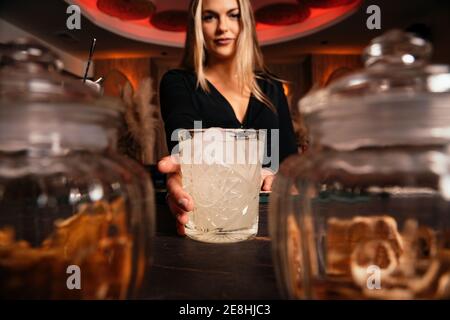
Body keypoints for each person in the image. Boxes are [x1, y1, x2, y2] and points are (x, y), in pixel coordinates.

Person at [157, 0, 297, 235]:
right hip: (212, 223)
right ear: (197, 27)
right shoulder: (179, 82)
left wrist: (284, 177)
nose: (223, 27)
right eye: (209, 17)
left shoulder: (271, 87)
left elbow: (289, 162)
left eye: (233, 15)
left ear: (247, 23)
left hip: (276, 220)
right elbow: (184, 147)